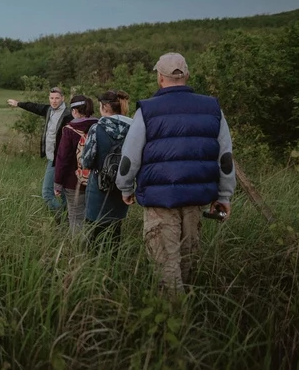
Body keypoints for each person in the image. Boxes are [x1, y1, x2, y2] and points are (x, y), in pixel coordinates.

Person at [115, 53, 237, 292]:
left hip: (160, 203)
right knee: (189, 264)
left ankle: (175, 320)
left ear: (160, 78)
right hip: (196, 201)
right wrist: (224, 196)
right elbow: (225, 157)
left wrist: (125, 187)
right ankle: (189, 314)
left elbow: (130, 156)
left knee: (166, 267)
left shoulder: (147, 110)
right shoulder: (212, 108)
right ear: (187, 75)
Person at [7, 87, 72, 215]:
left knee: (47, 194)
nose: (54, 101)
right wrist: (18, 103)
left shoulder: (68, 115)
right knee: (65, 193)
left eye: (57, 98)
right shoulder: (48, 110)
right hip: (51, 157)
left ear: (63, 98)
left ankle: (62, 217)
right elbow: (34, 107)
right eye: (51, 98)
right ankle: (69, 218)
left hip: (59, 159)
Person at [83, 90, 133, 248]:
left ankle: (95, 267)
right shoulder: (134, 128)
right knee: (115, 230)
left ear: (104, 107)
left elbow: (88, 160)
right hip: (122, 184)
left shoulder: (96, 128)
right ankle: (112, 265)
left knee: (95, 230)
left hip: (99, 185)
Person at [54, 95, 97, 233]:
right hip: (97, 181)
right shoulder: (100, 126)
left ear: (74, 111)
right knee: (93, 217)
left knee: (76, 218)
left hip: (74, 182)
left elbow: (63, 159)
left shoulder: (69, 130)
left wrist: (57, 183)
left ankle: (79, 251)